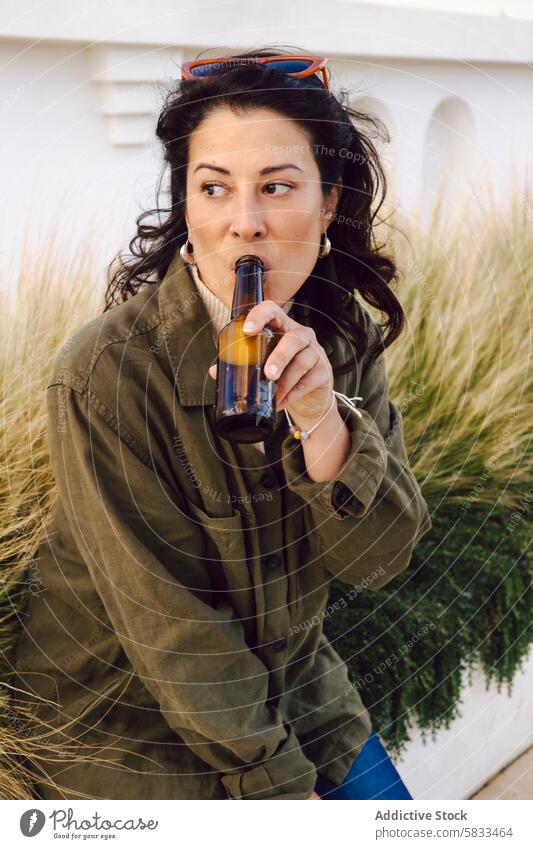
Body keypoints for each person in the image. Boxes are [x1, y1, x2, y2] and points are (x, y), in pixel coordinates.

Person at [13, 47, 432, 800]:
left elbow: (379, 559)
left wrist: (321, 421)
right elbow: (166, 624)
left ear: (328, 202)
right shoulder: (104, 373)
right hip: (128, 731)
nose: (245, 224)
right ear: (187, 204)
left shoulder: (342, 339)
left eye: (276, 187)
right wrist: (277, 788)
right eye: (214, 188)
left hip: (296, 687)